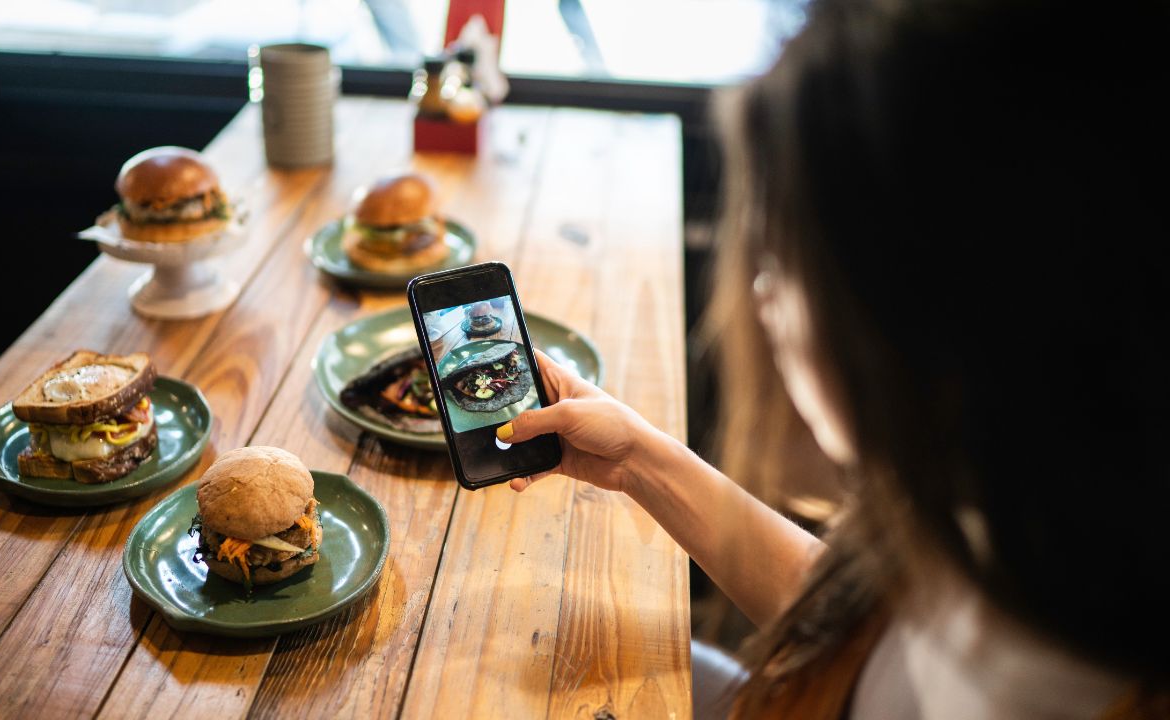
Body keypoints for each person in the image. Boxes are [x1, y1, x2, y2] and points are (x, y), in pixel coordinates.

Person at [493, 0, 1168, 717]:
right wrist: (640, 458)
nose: (763, 295)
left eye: (785, 256)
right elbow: (863, 631)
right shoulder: (1014, 518)